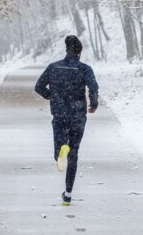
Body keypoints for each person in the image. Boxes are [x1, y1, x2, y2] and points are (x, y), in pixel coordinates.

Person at [35, 35, 99, 205]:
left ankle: (60, 151)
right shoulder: (85, 69)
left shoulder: (53, 67)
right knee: (74, 153)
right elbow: (93, 87)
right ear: (79, 52)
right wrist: (93, 104)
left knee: (61, 149)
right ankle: (68, 193)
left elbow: (38, 86)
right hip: (78, 114)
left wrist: (52, 96)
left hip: (59, 113)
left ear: (66, 50)